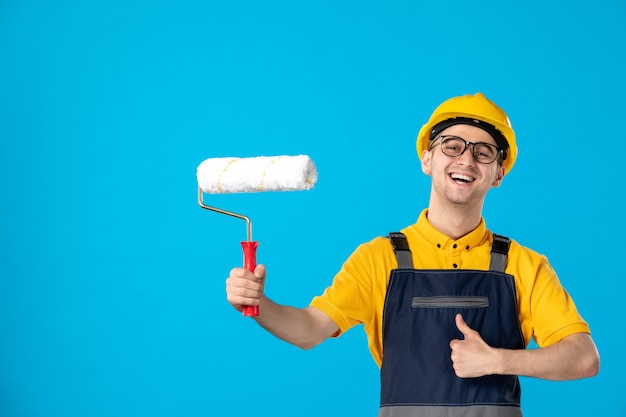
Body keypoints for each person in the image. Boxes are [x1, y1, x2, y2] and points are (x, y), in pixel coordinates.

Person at [225, 92, 600, 416]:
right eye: (452, 146)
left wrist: (498, 360)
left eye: (483, 152)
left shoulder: (523, 265)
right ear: (427, 159)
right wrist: (261, 303)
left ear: (498, 173)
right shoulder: (379, 258)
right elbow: (309, 330)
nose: (466, 160)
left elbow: (584, 357)